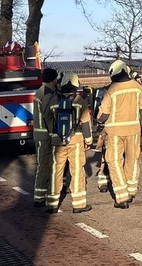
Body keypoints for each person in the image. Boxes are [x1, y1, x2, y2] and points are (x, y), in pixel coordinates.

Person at [96, 59, 142, 208]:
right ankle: (132, 190)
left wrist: (99, 118)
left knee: (114, 162)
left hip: (114, 132)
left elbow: (103, 113)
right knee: (132, 160)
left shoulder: (111, 90)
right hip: (133, 130)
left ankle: (122, 197)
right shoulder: (137, 87)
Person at [47, 74, 93, 214]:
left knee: (56, 171)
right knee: (77, 170)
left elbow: (48, 120)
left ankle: (51, 204)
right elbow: (85, 122)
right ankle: (78, 205)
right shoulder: (80, 100)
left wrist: (52, 135)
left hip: (57, 142)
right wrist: (88, 140)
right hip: (76, 141)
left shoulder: (53, 100)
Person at [32, 68, 61, 207]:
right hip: (45, 135)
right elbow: (48, 115)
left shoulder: (41, 90)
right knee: (44, 165)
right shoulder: (47, 94)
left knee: (44, 165)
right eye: (56, 79)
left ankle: (40, 195)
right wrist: (53, 133)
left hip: (40, 134)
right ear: (53, 79)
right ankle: (39, 197)